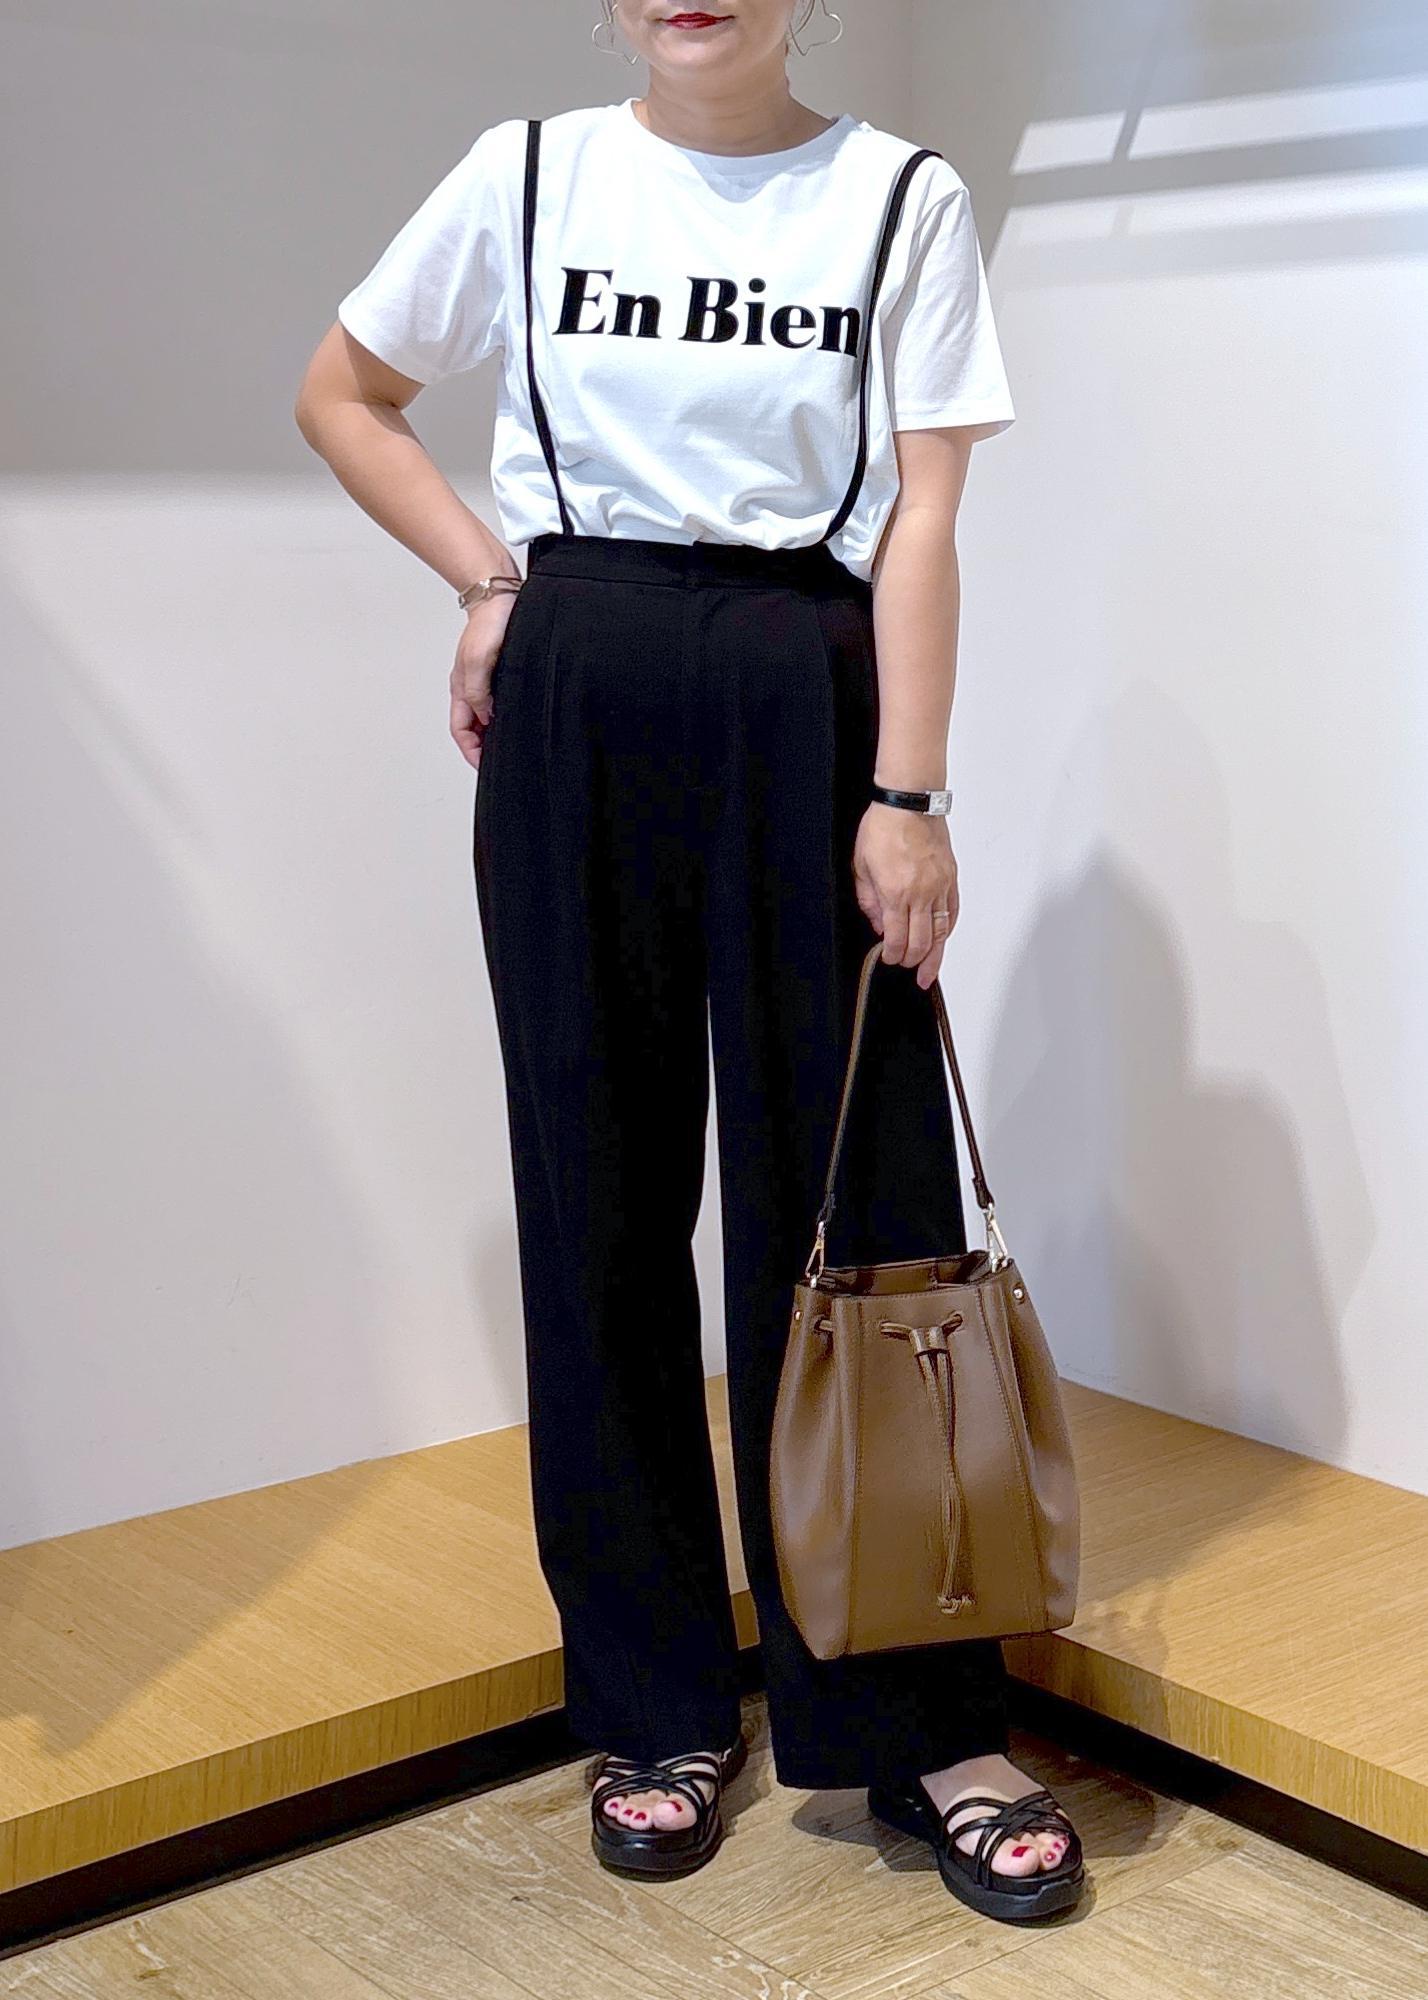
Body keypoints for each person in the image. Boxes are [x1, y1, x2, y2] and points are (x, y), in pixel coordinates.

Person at [295, 0, 1084, 1926]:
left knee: (858, 1210)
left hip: (808, 683)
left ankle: (914, 1716)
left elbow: (925, 515)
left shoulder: (897, 196)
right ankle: (649, 1698)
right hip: (581, 674)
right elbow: (343, 393)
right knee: (599, 1197)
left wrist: (910, 790)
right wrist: (492, 580)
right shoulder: (526, 175)